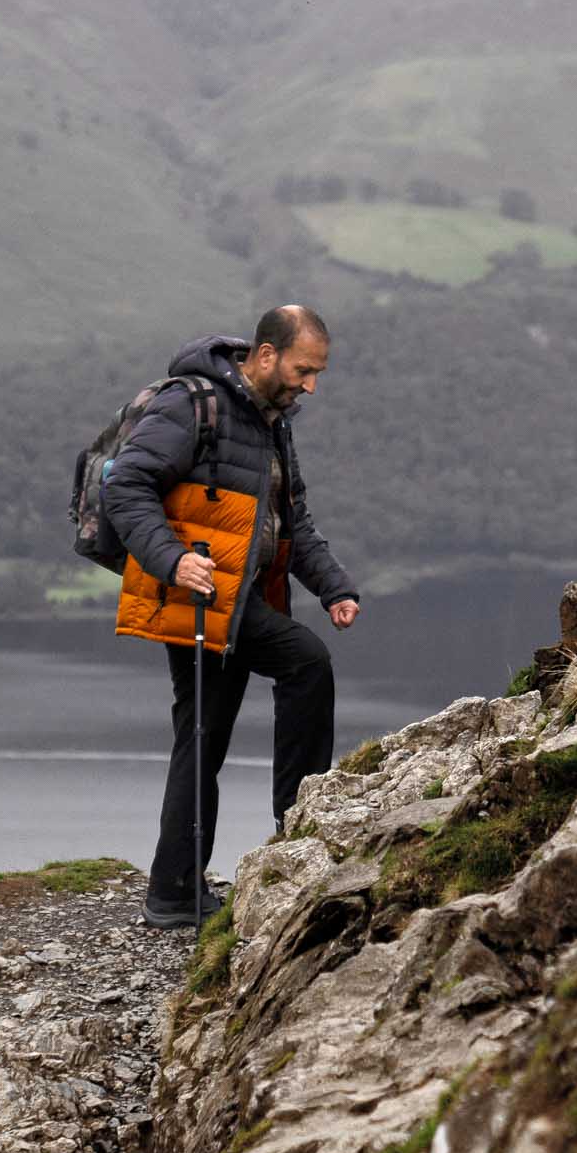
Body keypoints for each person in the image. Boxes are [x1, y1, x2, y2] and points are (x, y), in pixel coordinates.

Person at [101, 304, 362, 927]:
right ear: (266, 355)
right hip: (195, 600)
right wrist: (170, 561)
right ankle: (299, 822)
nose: (311, 385)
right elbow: (125, 486)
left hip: (240, 600)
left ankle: (173, 892)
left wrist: (333, 588)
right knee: (305, 662)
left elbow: (290, 520)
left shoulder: (274, 421)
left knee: (205, 735)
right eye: (305, 369)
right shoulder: (194, 406)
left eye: (318, 372)